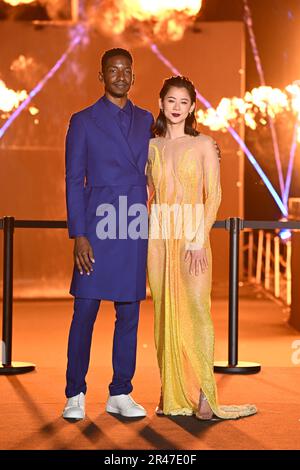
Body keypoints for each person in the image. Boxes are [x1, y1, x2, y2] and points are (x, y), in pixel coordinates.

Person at [146, 76, 257, 420]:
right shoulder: (151, 146)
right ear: (161, 103)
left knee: (196, 311)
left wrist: (196, 239)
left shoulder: (205, 144)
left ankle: (206, 394)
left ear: (192, 107)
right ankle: (171, 391)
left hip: (193, 234)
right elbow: (148, 193)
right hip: (159, 234)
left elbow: (215, 196)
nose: (177, 108)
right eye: (170, 101)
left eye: (183, 102)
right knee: (165, 312)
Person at [62, 48, 153, 420]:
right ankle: (74, 392)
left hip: (132, 225)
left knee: (129, 312)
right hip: (97, 229)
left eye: (125, 70)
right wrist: (79, 234)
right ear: (101, 77)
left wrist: (206, 147)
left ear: (133, 77)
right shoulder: (82, 121)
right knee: (84, 309)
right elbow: (72, 179)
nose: (119, 75)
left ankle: (121, 391)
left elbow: (168, 152)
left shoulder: (148, 119)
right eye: (112, 70)